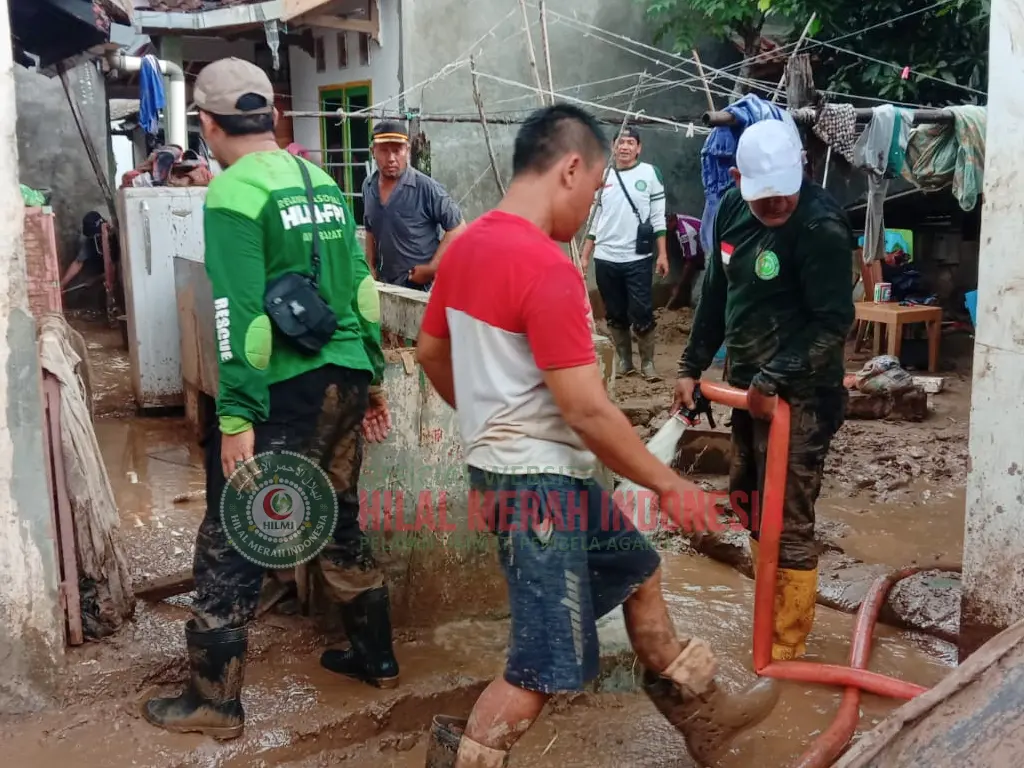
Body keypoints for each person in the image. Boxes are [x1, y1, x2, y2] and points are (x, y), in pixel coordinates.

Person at [417, 104, 779, 768]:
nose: (589, 209)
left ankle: (705, 716)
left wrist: (487, 424)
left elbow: (431, 353)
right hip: (538, 484)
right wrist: (670, 485)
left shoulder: (464, 247)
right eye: (592, 193)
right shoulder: (545, 265)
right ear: (571, 168)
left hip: (519, 473)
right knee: (542, 666)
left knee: (638, 571)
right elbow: (588, 411)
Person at [141, 57, 399, 740]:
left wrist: (234, 419)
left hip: (283, 389)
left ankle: (213, 702)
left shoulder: (232, 193)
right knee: (339, 515)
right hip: (344, 376)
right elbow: (362, 292)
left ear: (206, 122)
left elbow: (240, 317)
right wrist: (370, 381)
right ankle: (376, 657)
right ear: (273, 116)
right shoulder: (320, 179)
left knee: (234, 531)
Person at [674, 118, 854, 663]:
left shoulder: (821, 227)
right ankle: (764, 612)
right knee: (749, 503)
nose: (777, 207)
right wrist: (691, 365)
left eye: (784, 197)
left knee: (789, 516)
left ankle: (786, 647)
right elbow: (716, 294)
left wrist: (777, 377)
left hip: (801, 395)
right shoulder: (731, 208)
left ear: (800, 170)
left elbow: (832, 321)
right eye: (765, 199)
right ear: (737, 178)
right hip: (746, 388)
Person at [580, 125, 669, 381]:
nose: (625, 147)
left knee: (641, 310)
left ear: (639, 148)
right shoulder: (603, 176)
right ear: (613, 146)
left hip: (637, 259)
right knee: (615, 312)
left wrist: (662, 254)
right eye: (620, 142)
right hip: (606, 257)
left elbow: (658, 219)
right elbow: (595, 221)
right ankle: (625, 361)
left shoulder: (651, 174)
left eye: (631, 142)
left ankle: (648, 364)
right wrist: (586, 255)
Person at [362, 120, 467, 290]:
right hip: (386, 284)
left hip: (421, 289)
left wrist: (432, 268)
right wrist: (371, 265)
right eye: (383, 151)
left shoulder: (425, 187)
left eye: (397, 151)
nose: (391, 158)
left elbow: (458, 228)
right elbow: (369, 229)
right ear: (372, 152)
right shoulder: (368, 186)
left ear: (407, 151)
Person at [60, 210, 116, 290]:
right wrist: (62, 283)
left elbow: (113, 269)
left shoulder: (114, 239)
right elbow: (78, 262)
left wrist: (97, 279)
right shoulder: (89, 241)